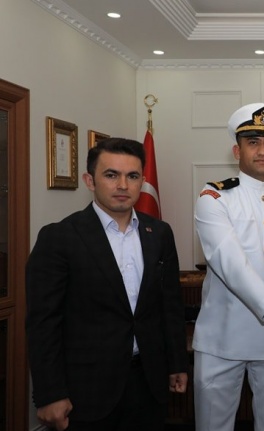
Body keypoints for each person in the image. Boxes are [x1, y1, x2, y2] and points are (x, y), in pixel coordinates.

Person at [26, 138, 189, 431]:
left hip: (149, 383)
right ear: (90, 180)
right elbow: (43, 323)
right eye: (111, 175)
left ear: (142, 181)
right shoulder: (59, 238)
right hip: (87, 390)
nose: (123, 185)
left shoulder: (159, 233)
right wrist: (50, 394)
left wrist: (177, 363)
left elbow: (170, 305)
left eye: (133, 176)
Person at [192, 102, 264, 431]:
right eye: (253, 142)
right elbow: (232, 266)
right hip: (223, 337)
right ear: (236, 150)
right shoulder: (214, 197)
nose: (263, 151)